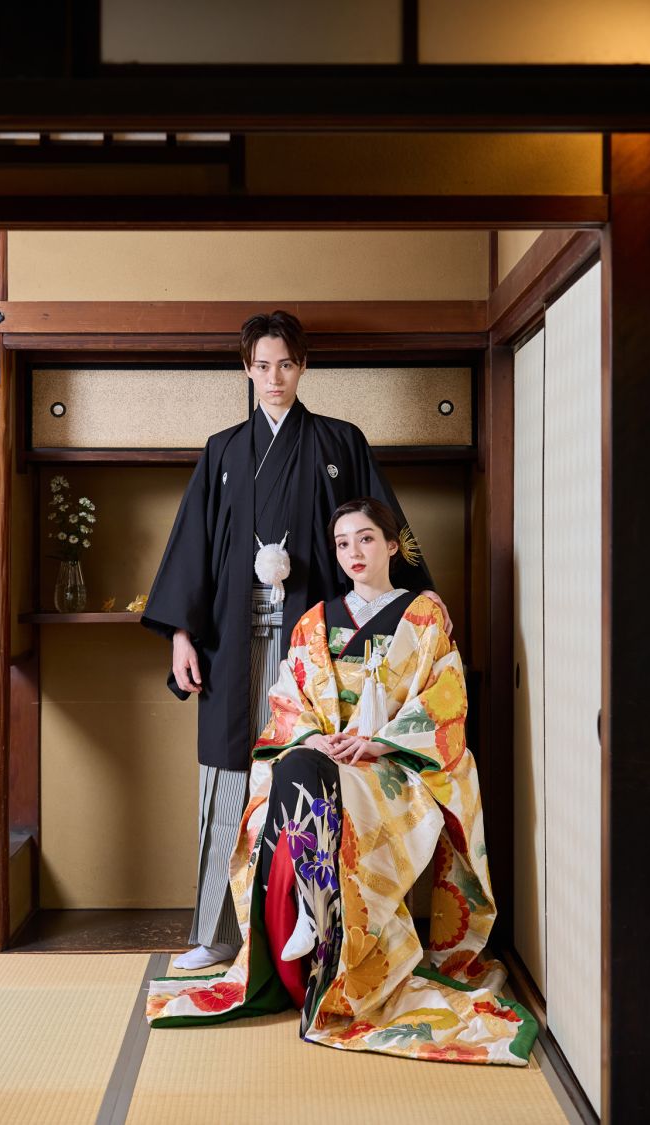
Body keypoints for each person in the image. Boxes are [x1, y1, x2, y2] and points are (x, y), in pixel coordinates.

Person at [146, 498, 536, 1067]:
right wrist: (313, 737)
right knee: (295, 765)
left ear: (393, 546)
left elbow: (445, 701)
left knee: (301, 777)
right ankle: (313, 912)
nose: (354, 552)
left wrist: (379, 744)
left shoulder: (424, 616)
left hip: (393, 766)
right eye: (342, 543)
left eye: (367, 539)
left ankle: (315, 922)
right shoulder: (314, 620)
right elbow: (289, 700)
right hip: (326, 756)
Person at [142, 311, 448, 970]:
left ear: (302, 365)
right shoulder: (224, 450)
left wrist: (418, 595)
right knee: (228, 773)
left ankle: (322, 930)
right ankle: (218, 933)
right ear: (246, 369)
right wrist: (181, 634)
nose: (274, 378)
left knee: (308, 771)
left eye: (285, 364)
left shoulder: (340, 441)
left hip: (318, 643)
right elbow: (192, 544)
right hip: (232, 637)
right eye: (262, 366)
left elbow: (379, 527)